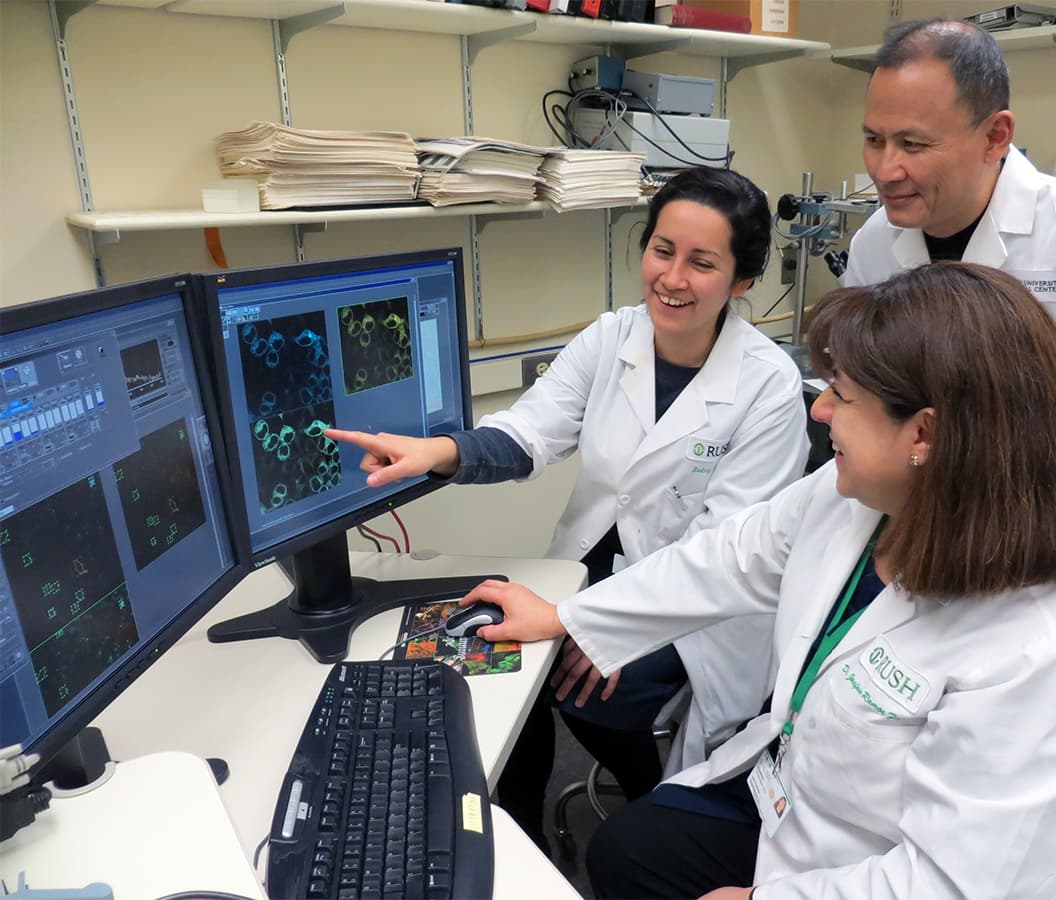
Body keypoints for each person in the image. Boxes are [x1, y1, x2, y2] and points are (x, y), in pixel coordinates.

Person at [467, 262, 1056, 899]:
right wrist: (566, 616)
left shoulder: (1049, 653)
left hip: (889, 868)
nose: (820, 414)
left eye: (842, 397)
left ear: (924, 435)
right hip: (799, 794)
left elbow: (957, 884)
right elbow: (728, 556)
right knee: (625, 853)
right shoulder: (860, 500)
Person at [326, 166, 809, 849]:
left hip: (703, 605)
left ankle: (662, 808)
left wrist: (598, 625)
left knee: (585, 681)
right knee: (501, 647)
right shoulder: (612, 337)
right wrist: (437, 452)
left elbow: (717, 555)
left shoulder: (769, 387)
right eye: (662, 250)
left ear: (742, 280)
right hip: (592, 562)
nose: (672, 278)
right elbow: (528, 435)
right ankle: (520, 826)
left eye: (702, 263)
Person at [842, 18, 1056, 545]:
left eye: (913, 145)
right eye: (874, 139)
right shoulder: (875, 241)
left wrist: (970, 428)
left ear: (995, 136)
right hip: (923, 500)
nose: (886, 169)